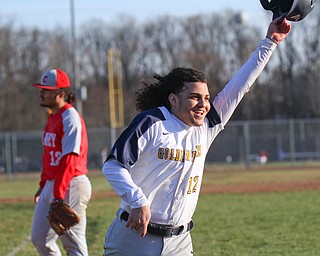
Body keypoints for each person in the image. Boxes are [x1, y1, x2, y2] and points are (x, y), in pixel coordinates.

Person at [102, 17, 291, 255]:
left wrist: (270, 42)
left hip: (179, 242)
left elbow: (239, 86)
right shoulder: (151, 122)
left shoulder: (206, 126)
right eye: (194, 97)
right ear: (173, 99)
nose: (203, 104)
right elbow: (113, 166)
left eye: (206, 98)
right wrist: (138, 200)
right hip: (134, 237)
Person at [31, 68, 92, 256]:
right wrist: (43, 185)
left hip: (70, 184)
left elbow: (69, 158)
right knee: (40, 238)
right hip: (53, 184)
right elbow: (49, 156)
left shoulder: (70, 117)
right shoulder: (53, 116)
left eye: (46, 90)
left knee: (73, 245)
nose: (41, 93)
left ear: (61, 94)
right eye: (41, 89)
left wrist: (58, 193)